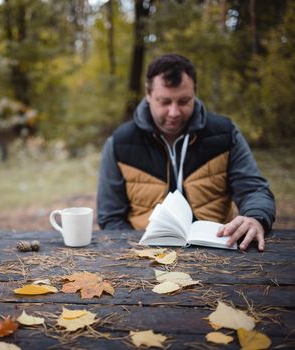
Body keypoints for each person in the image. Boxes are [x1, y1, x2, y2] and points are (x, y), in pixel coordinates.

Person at [97, 53, 275, 251]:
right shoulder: (119, 143)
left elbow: (253, 189)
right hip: (144, 252)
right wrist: (136, 252)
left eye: (183, 101)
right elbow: (110, 217)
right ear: (148, 95)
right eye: (164, 102)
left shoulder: (225, 133)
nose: (174, 112)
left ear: (195, 93)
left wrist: (255, 216)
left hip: (217, 248)